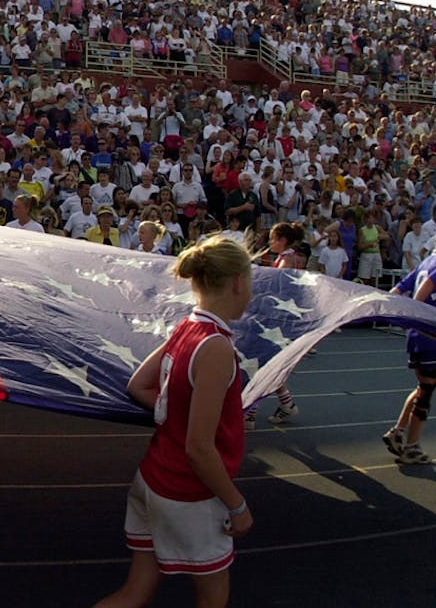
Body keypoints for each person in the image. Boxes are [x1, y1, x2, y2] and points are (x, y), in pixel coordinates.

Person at [98, 235, 255, 608]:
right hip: (189, 493)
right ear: (236, 282)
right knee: (213, 595)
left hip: (152, 476)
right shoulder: (216, 347)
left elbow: (139, 385)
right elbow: (199, 447)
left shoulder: (187, 327)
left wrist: (180, 415)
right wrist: (237, 506)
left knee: (135, 591)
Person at [385, 223, 436, 465]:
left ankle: (398, 432)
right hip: (430, 333)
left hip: (417, 333)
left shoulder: (427, 261)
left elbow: (399, 288)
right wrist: (413, 313)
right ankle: (411, 447)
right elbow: (423, 291)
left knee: (423, 386)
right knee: (427, 391)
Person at [246, 222, 304, 429]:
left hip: (277, 320)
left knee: (263, 364)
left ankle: (251, 413)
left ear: (282, 241)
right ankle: (287, 404)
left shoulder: (287, 260)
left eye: (272, 238)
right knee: (269, 364)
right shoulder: (283, 258)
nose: (270, 242)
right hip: (274, 317)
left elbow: (279, 290)